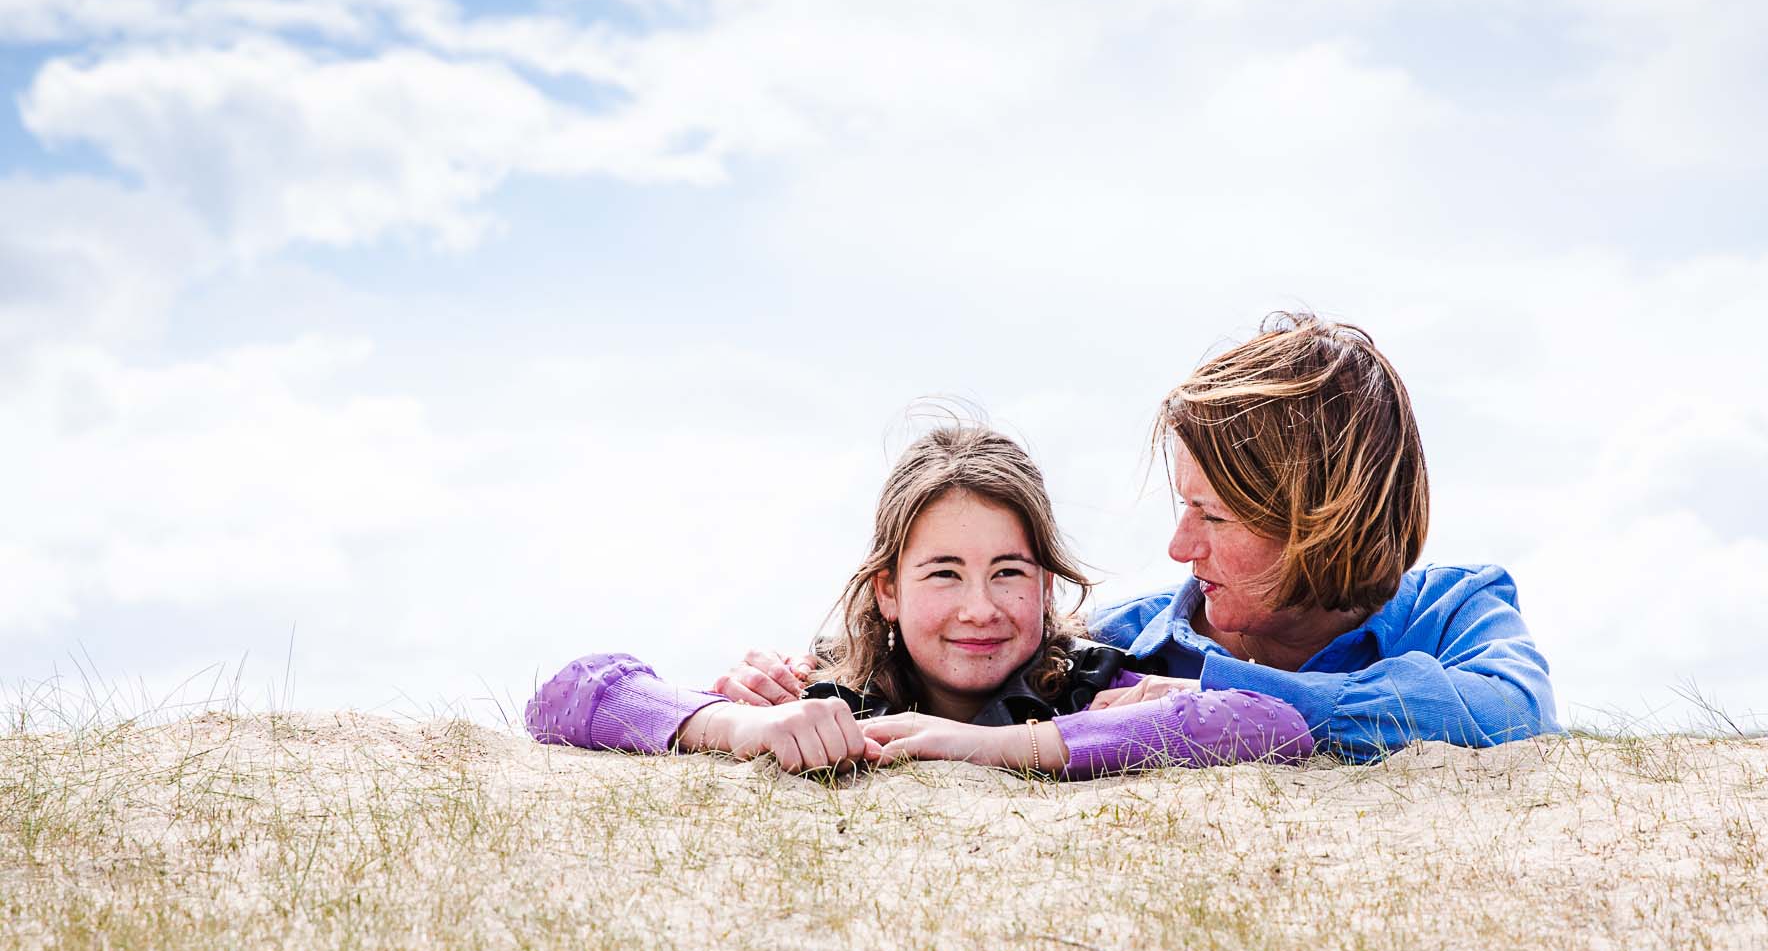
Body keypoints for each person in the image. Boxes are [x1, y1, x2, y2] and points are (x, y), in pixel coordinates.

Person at [723, 314, 1559, 761]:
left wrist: (1227, 698)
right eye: (1182, 505)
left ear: (1318, 523)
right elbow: (962, 680)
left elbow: (1512, 713)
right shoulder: (1132, 643)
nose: (1178, 549)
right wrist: (786, 685)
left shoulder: (1458, 609)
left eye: (1215, 517)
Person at [525, 425, 1313, 775]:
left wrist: (1001, 747)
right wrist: (745, 725)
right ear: (888, 590)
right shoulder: (824, 693)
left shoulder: (1087, 690)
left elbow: (1273, 721)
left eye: (1009, 571)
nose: (980, 607)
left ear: (1046, 585)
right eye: (943, 573)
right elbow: (569, 694)